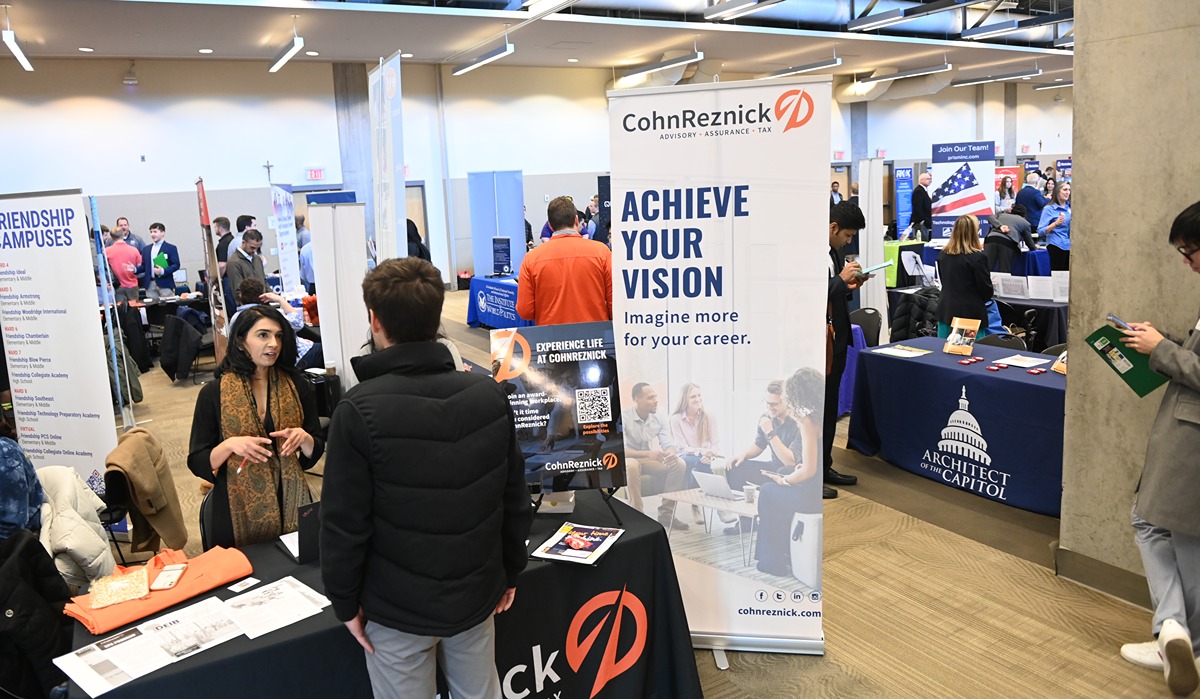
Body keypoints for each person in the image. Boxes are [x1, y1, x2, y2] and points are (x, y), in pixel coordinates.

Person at [321, 257, 532, 699]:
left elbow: (343, 525)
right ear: (438, 317)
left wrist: (344, 601)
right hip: (476, 594)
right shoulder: (489, 395)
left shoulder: (358, 411)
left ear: (375, 321)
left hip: (398, 609)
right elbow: (514, 496)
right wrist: (511, 570)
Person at [1117, 201, 1200, 696]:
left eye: (1190, 251)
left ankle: (1172, 628)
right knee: (1187, 536)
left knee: (1149, 520)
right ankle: (1181, 635)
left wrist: (1162, 351)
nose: (1187, 262)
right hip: (1185, 429)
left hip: (1190, 433)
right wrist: (1164, 342)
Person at [187, 306, 324, 549]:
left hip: (291, 502)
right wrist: (230, 445)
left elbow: (315, 448)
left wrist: (305, 439)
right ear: (241, 342)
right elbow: (198, 460)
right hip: (234, 508)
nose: (273, 343)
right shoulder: (214, 393)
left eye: (279, 336)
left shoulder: (298, 386)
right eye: (263, 335)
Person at [751, 368, 823, 577]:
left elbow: (808, 471)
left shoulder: (806, 420)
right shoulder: (822, 413)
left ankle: (772, 560)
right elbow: (813, 464)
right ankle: (783, 554)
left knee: (768, 491)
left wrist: (785, 480)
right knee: (773, 490)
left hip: (810, 494)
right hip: (819, 487)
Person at [824, 202, 868, 496]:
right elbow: (809, 294)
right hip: (820, 343)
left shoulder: (832, 252)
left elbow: (831, 293)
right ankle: (809, 477)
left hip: (837, 340)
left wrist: (848, 285)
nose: (848, 242)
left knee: (828, 410)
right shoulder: (808, 252)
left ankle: (823, 466)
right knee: (816, 412)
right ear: (833, 228)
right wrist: (840, 280)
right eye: (847, 236)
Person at [516, 196, 612, 326]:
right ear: (576, 220)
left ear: (550, 225)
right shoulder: (602, 252)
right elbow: (615, 304)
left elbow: (525, 311)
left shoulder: (532, 259)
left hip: (551, 339)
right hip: (596, 338)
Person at [621, 382, 689, 529]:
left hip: (648, 459)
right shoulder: (624, 417)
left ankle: (666, 514)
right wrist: (648, 453)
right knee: (631, 466)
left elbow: (667, 443)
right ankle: (637, 516)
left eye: (655, 396)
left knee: (679, 463)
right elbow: (620, 450)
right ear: (637, 399)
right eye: (650, 397)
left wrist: (671, 454)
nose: (656, 400)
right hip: (629, 458)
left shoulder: (659, 414)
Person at [228, 279, 323, 370]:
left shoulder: (235, 319)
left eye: (278, 335)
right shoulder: (268, 313)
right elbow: (298, 323)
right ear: (263, 295)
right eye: (263, 335)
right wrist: (280, 300)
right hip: (298, 357)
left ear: (240, 295)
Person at [669, 383, 721, 524]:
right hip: (685, 457)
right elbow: (682, 447)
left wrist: (709, 455)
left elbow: (716, 443)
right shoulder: (676, 419)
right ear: (685, 399)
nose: (697, 399)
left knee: (700, 466)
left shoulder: (709, 416)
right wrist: (701, 452)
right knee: (699, 461)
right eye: (693, 396)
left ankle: (696, 506)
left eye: (699, 395)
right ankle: (720, 508)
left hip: (705, 459)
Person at [935, 215, 994, 338]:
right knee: (972, 354)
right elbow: (986, 291)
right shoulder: (977, 258)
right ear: (974, 232)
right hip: (970, 315)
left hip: (946, 310)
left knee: (944, 352)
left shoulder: (943, 255)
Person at [985, 204, 1038, 273]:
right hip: (1007, 243)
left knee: (986, 268)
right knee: (1004, 271)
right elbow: (1029, 243)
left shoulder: (1002, 215)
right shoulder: (1025, 223)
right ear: (1024, 215)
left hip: (991, 239)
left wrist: (999, 226)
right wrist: (1035, 248)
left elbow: (990, 217)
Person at [141, 222, 180, 300]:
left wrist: (163, 271)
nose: (152, 234)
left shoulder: (170, 248)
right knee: (153, 309)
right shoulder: (146, 249)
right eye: (151, 232)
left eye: (155, 231)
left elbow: (176, 265)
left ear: (162, 233)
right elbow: (144, 266)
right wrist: (134, 269)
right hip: (150, 284)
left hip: (165, 283)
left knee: (169, 307)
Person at [226, 229, 268, 300]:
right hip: (248, 306)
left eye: (258, 248)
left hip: (262, 302)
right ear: (243, 242)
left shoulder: (257, 259)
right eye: (252, 247)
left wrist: (271, 294)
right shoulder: (233, 262)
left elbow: (263, 281)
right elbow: (238, 291)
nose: (255, 251)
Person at [1039, 181, 1072, 271]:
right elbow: (1041, 231)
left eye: (1069, 190)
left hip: (1068, 246)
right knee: (1058, 277)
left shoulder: (1069, 209)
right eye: (1065, 190)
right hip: (1055, 246)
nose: (1067, 192)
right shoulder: (1048, 209)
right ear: (1057, 192)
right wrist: (1055, 224)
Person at [103, 227, 143, 302]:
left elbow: (103, 268)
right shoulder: (134, 250)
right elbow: (140, 266)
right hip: (132, 285)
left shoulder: (106, 251)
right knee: (134, 309)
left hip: (116, 285)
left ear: (111, 237)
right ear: (123, 234)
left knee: (120, 310)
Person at [1015, 172, 1050, 236]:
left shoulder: (1020, 192)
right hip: (1034, 222)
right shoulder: (1036, 192)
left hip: (1022, 221)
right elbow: (1041, 204)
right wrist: (1048, 199)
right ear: (1037, 182)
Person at [911, 171, 933, 240]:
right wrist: (922, 221)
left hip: (925, 223)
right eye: (928, 179)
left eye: (930, 179)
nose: (930, 180)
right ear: (921, 180)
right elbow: (918, 207)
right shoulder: (919, 191)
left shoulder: (924, 190)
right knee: (922, 241)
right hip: (921, 223)